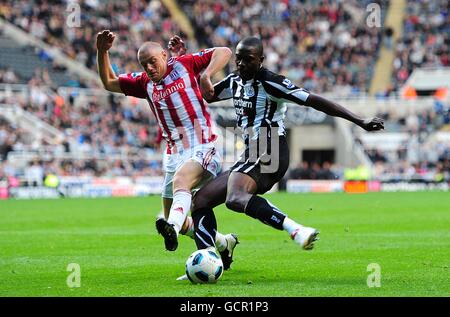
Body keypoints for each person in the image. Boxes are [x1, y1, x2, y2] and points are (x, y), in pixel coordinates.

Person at [189, 36, 384, 254]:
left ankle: (296, 229)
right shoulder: (235, 80)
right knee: (200, 200)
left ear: (261, 60)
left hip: (270, 147)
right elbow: (209, 95)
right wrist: (201, 71)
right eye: (239, 59)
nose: (242, 64)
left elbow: (314, 100)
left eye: (248, 59)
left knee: (235, 198)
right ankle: (211, 255)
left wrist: (359, 120)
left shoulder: (271, 82)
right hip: (251, 153)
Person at [95, 30, 238, 268]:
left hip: (204, 144)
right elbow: (109, 82)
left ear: (164, 55)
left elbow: (224, 52)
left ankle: (169, 226)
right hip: (174, 154)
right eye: (144, 64)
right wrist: (102, 51)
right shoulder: (143, 83)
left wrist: (207, 75)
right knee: (181, 220)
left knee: (179, 189)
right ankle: (224, 243)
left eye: (153, 61)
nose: (149, 68)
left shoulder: (184, 64)